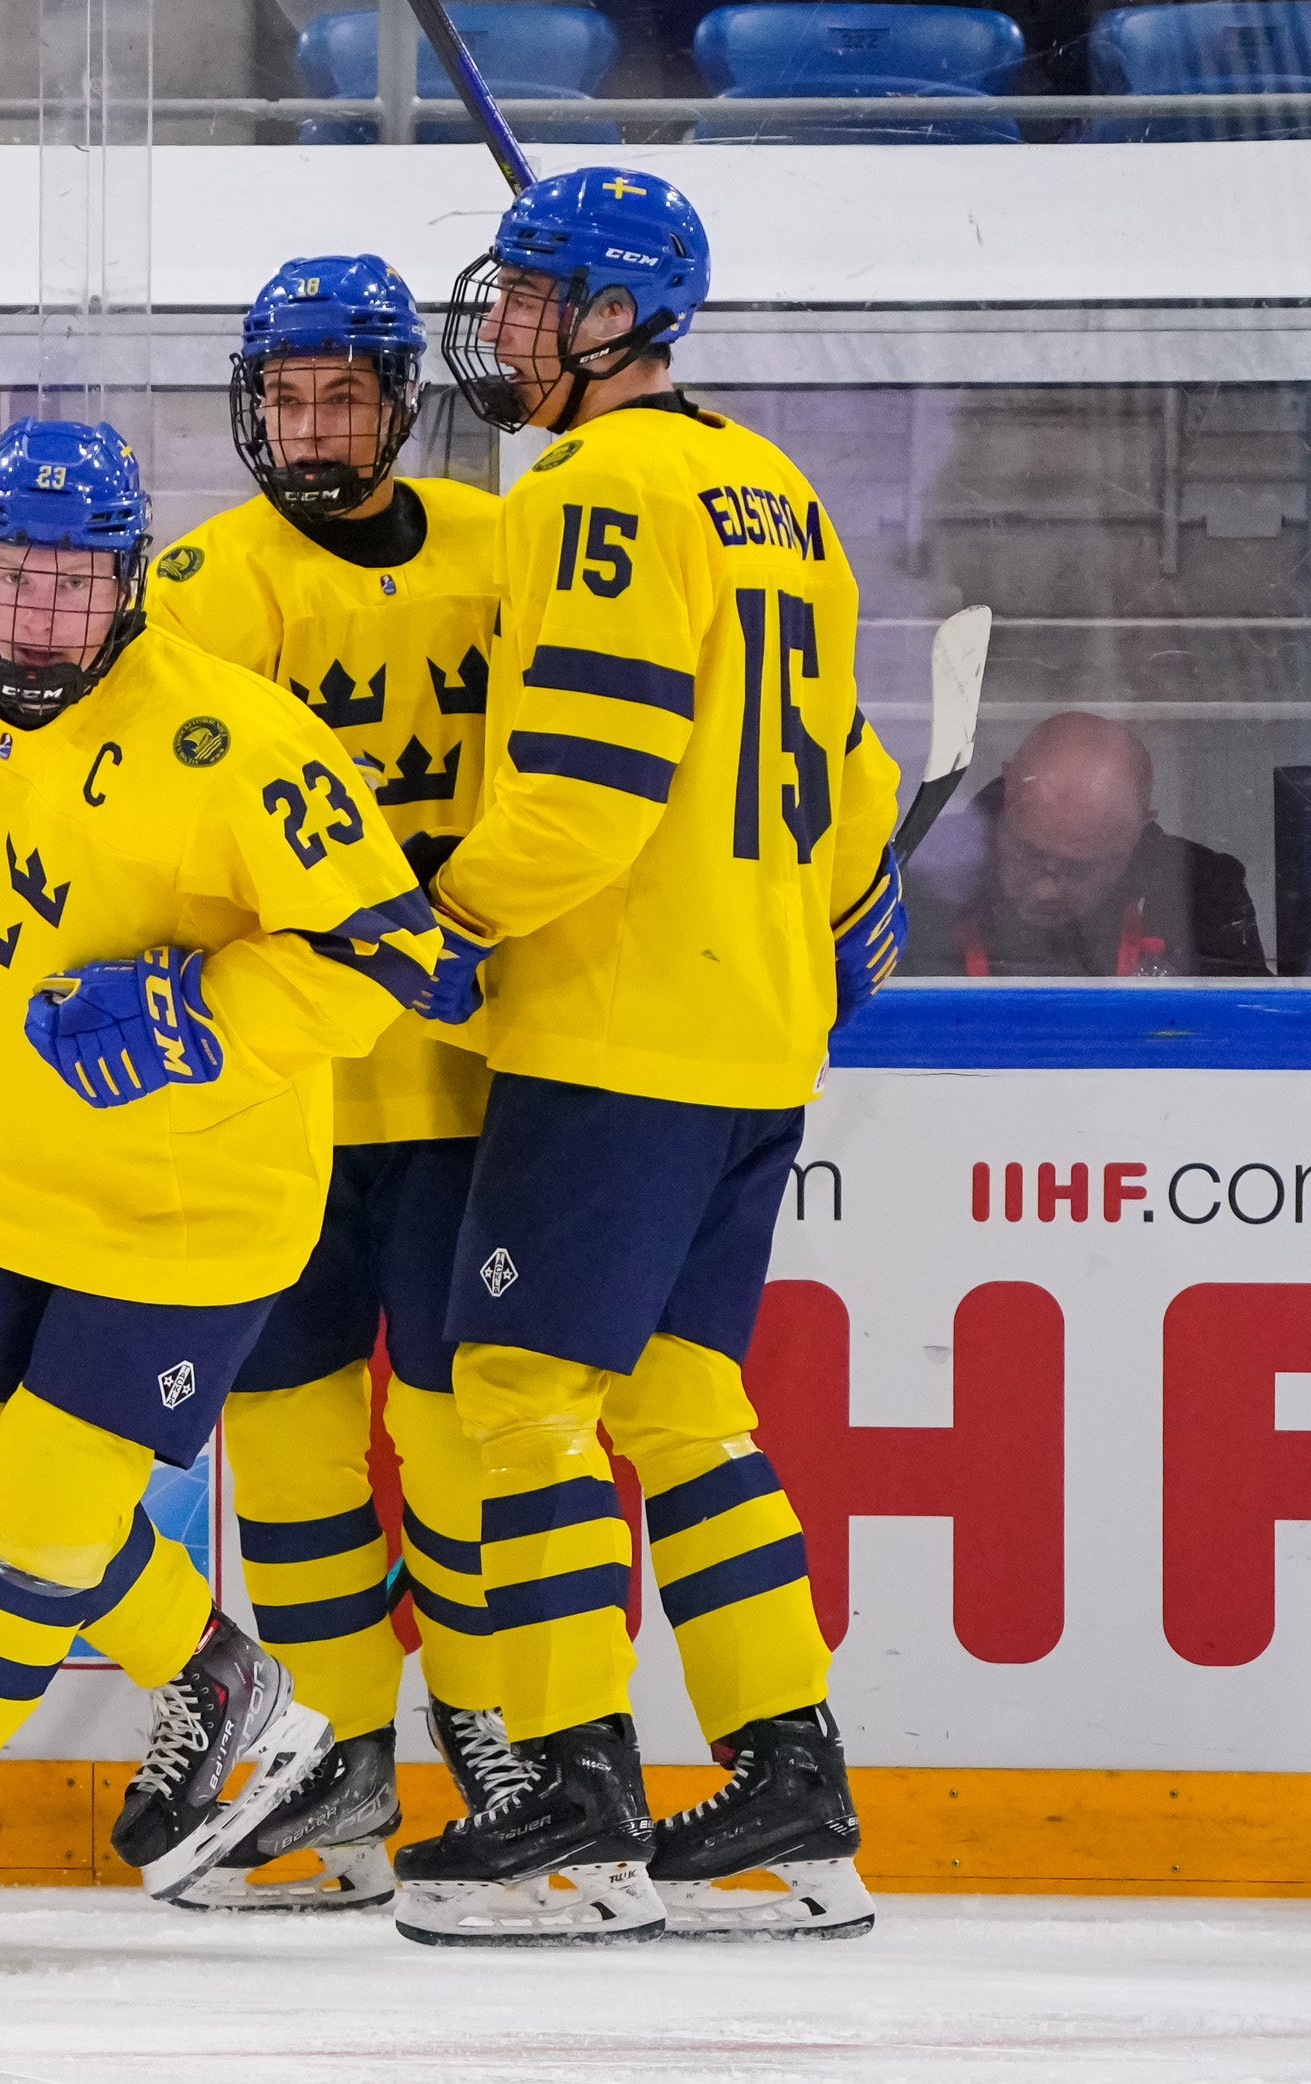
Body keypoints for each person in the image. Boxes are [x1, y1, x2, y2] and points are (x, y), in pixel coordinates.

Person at [0, 417, 444, 1954]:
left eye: (75, 587)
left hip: (181, 1215)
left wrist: (195, 1013)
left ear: (131, 587)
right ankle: (225, 1678)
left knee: (38, 1522)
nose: (40, 619)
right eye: (14, 582)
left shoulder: (238, 741)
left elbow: (390, 955)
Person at [384, 168, 906, 1947]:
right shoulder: (780, 491)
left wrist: (439, 913)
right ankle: (790, 1775)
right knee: (684, 1405)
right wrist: (846, 906)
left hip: (618, 1030)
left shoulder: (596, 492)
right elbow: (849, 776)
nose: (506, 328)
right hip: (758, 1025)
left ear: (617, 321)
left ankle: (571, 1806)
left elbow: (588, 788)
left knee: (517, 1401)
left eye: (536, 300)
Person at [139, 255, 512, 1912]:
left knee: (459, 1449)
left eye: (340, 394)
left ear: (398, 401)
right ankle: (343, 1768)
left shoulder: (510, 556)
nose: (308, 424)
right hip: (276, 1092)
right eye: (283, 396)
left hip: (458, 1082)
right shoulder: (206, 584)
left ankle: (496, 1747)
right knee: (291, 1468)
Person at [900, 710, 1268, 978]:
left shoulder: (1202, 894)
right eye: (1029, 855)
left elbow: (1253, 1040)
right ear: (1010, 787)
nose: (1046, 891)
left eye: (1081, 868)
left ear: (1139, 832)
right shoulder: (916, 877)